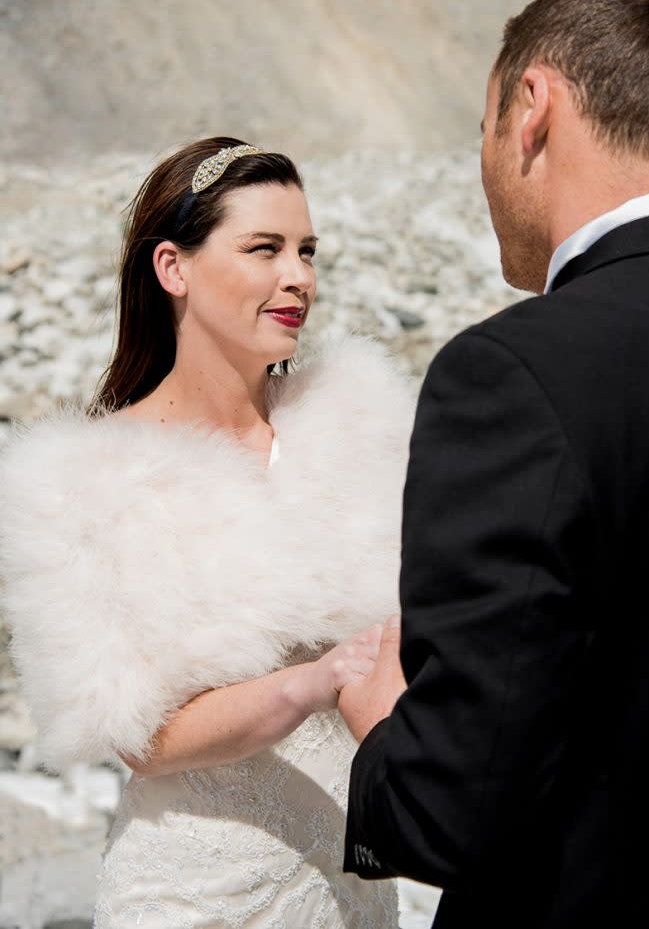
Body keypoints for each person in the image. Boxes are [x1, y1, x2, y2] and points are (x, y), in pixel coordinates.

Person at [339, 0, 649, 927]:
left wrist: (385, 730)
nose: (482, 165)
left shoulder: (511, 374)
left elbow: (458, 806)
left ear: (532, 108)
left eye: (480, 129)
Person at [0, 138, 412, 928]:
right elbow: (139, 736)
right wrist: (310, 684)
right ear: (173, 268)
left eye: (306, 250)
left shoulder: (358, 421)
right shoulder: (82, 478)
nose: (299, 277)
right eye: (264, 249)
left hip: (356, 889)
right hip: (197, 898)